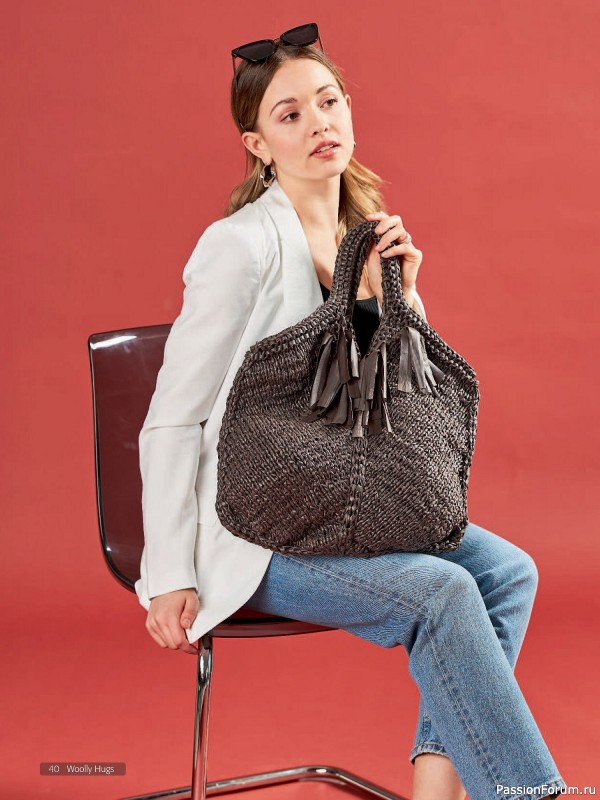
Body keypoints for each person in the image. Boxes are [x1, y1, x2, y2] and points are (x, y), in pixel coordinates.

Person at [135, 23, 567, 800]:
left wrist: (399, 302)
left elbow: (402, 397)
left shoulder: (362, 236)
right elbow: (173, 416)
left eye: (328, 102)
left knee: (506, 573)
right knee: (442, 593)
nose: (318, 123)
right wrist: (167, 573)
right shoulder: (239, 247)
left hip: (345, 498)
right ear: (258, 145)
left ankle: (438, 793)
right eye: (290, 114)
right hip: (254, 526)